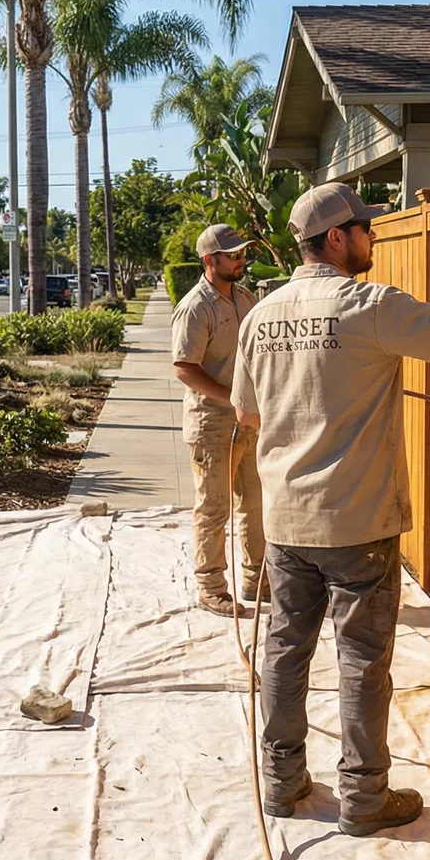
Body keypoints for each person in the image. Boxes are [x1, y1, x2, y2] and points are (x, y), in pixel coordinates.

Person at [229, 183, 430, 836]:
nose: (373, 235)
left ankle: (281, 781)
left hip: (288, 522)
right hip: (359, 522)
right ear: (335, 238)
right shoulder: (369, 306)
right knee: (360, 659)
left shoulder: (260, 315)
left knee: (284, 651)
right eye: (364, 226)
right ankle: (363, 799)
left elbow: (247, 412)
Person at [170, 223, 265, 616]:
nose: (242, 260)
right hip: (212, 423)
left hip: (247, 419)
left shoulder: (244, 297)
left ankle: (257, 580)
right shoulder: (195, 307)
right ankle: (211, 587)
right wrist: (233, 399)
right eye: (234, 255)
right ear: (210, 260)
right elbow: (184, 367)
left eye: (243, 253)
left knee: (255, 502)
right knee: (214, 506)